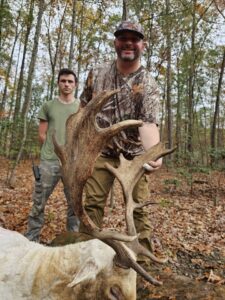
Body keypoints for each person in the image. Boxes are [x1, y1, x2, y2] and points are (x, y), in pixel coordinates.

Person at [79, 20, 163, 267]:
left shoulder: (148, 84)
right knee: (92, 203)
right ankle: (86, 255)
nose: (128, 43)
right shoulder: (98, 73)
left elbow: (148, 124)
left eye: (134, 39)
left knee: (137, 208)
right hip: (101, 151)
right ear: (115, 43)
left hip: (134, 156)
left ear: (142, 45)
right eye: (123, 38)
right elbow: (84, 109)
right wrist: (78, 143)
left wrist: (153, 154)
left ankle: (142, 262)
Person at [25, 68, 80, 242]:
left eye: (70, 81)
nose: (67, 84)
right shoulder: (48, 106)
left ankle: (72, 240)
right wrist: (51, 153)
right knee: (39, 202)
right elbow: (42, 135)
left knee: (75, 205)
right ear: (58, 83)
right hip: (49, 162)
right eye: (63, 81)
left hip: (72, 164)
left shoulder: (81, 107)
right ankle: (31, 240)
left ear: (75, 84)